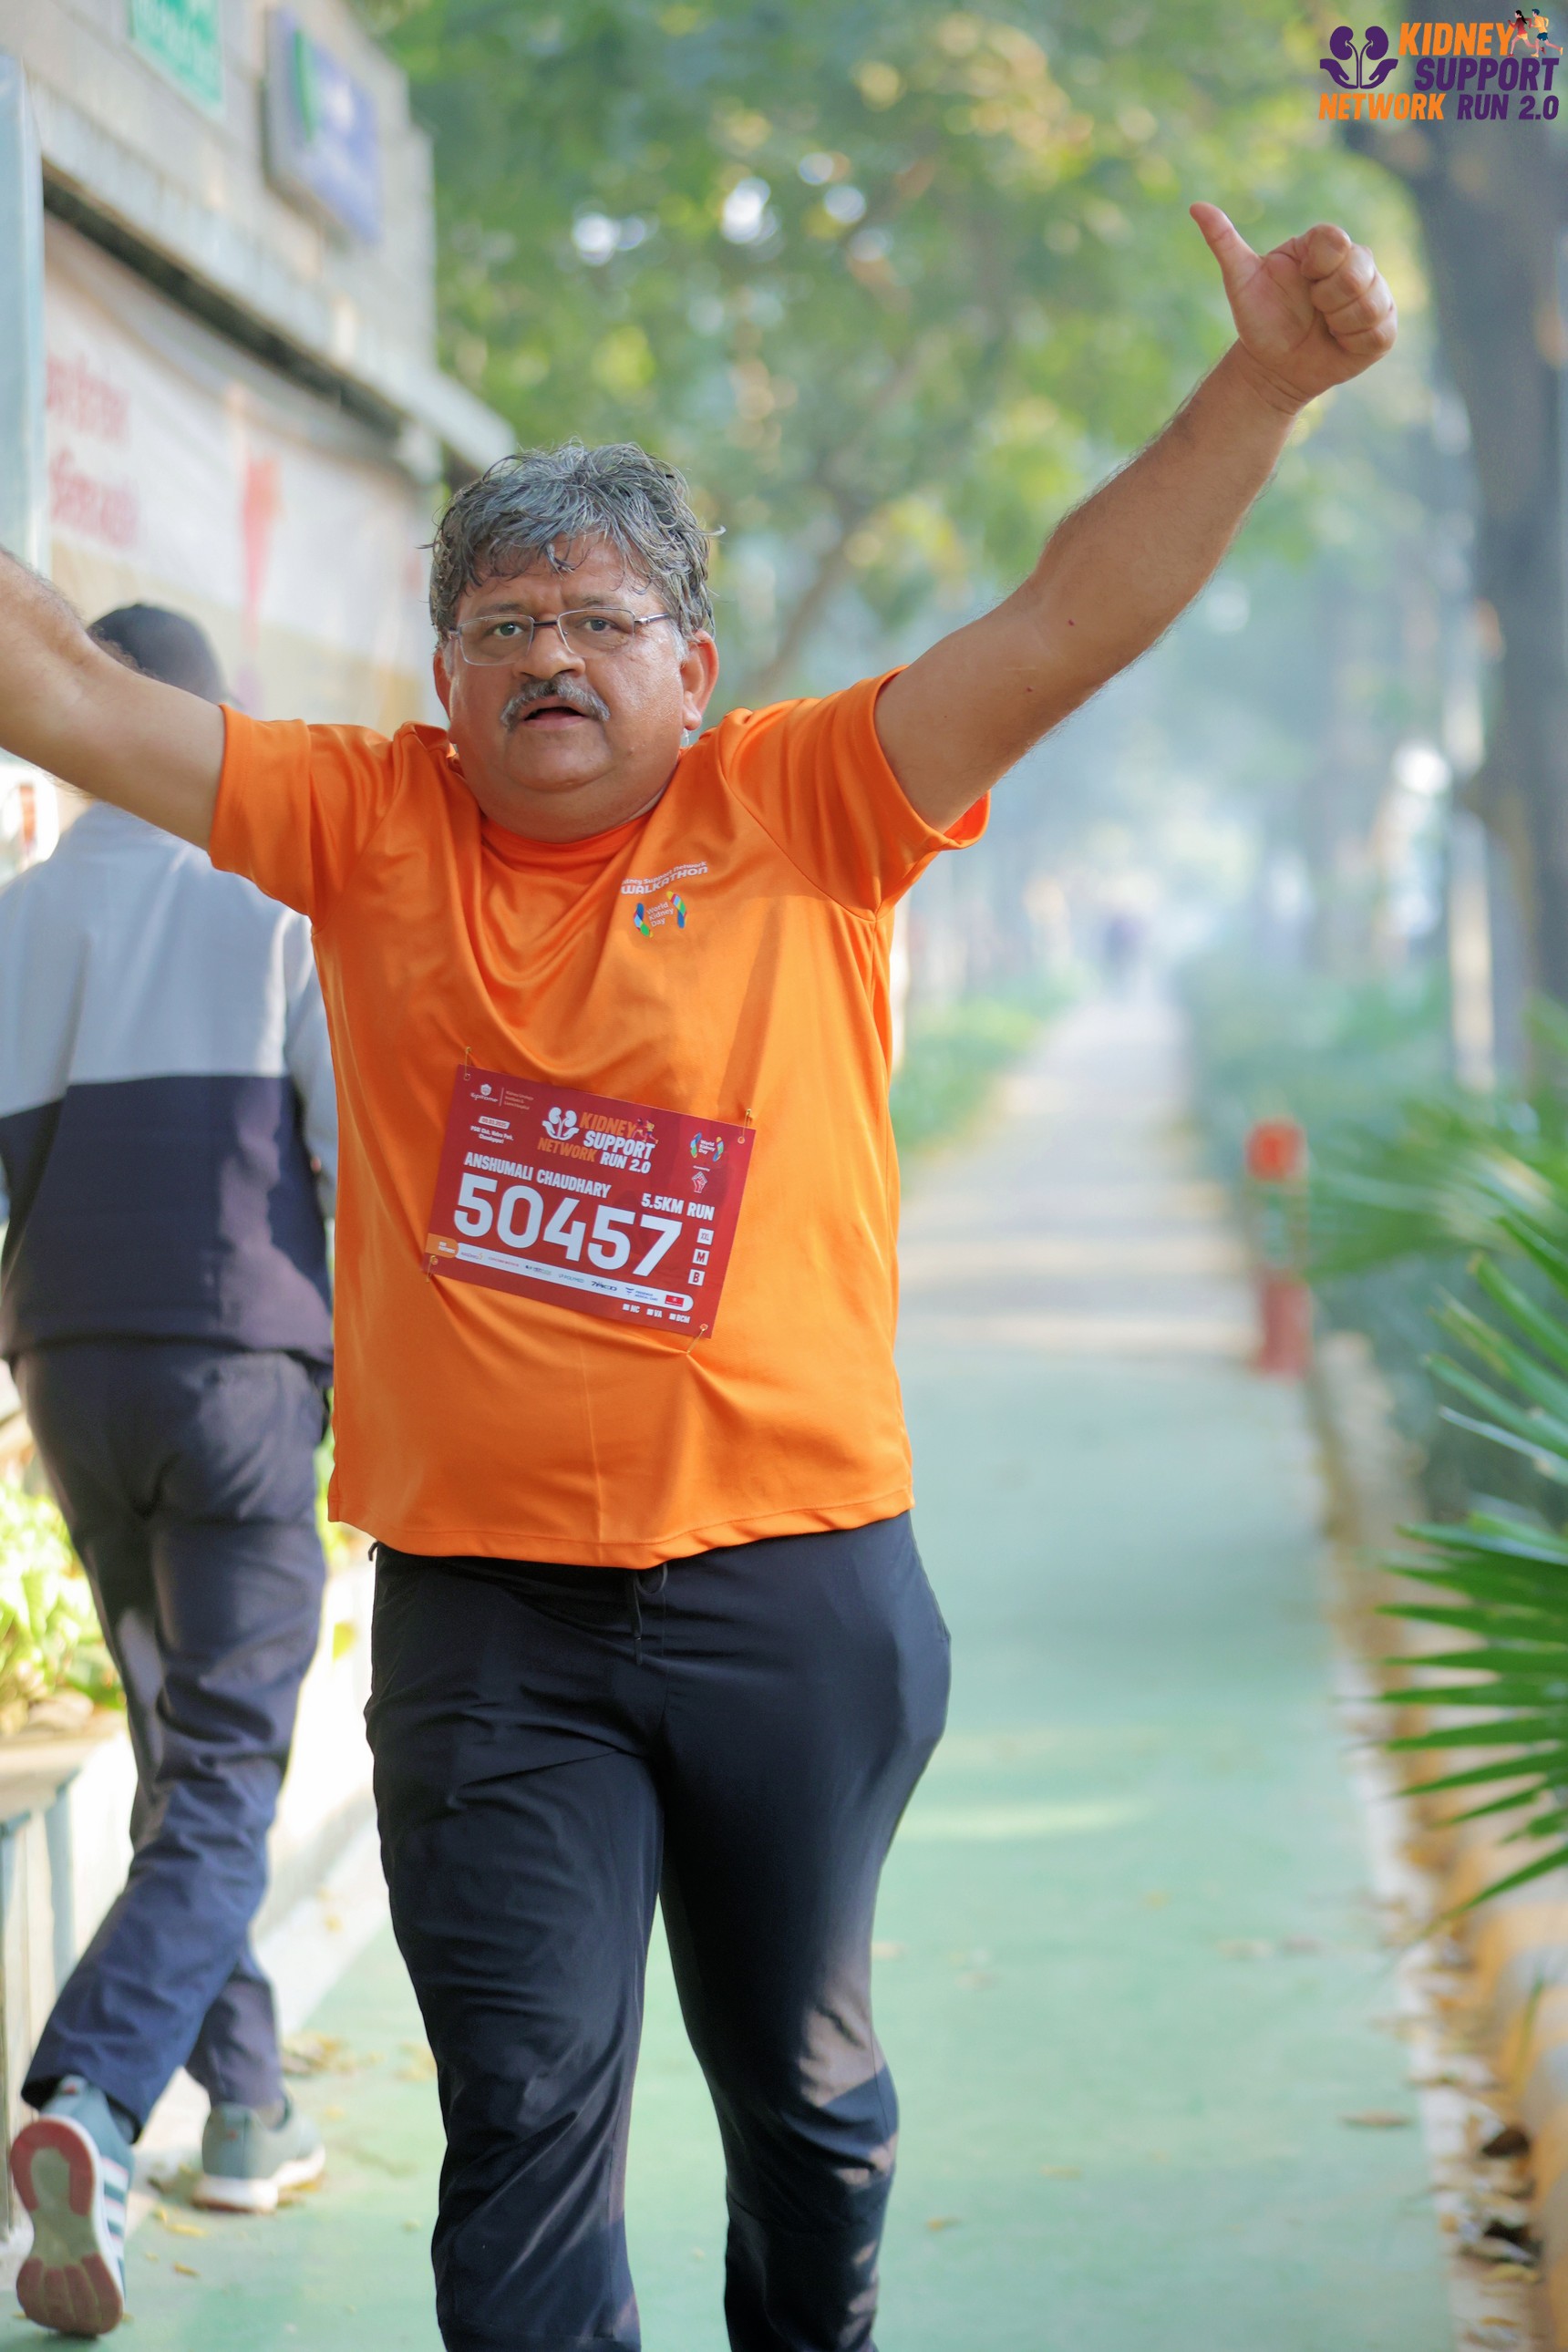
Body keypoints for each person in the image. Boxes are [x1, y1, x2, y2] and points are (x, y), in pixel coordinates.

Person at [0, 208, 1395, 2348]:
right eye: (500, 624)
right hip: (490, 1624)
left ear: (692, 671)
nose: (548, 655)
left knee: (808, 2117)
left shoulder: (810, 798)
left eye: (599, 618)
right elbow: (63, 691)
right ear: (441, 679)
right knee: (520, 2116)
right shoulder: (367, 822)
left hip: (794, 1596)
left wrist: (1260, 386)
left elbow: (1063, 618)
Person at [0, 608, 335, 2336]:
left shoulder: (18, 916)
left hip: (70, 1374)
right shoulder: (273, 902)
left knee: (176, 1750)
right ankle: (97, 2097)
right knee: (223, 1771)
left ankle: (253, 2111)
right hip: (241, 1372)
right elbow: (347, 1155)